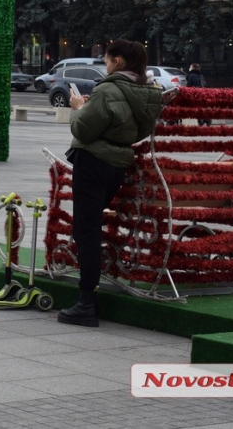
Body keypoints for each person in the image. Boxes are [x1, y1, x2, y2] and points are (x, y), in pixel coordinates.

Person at [59, 39, 164, 327]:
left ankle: (86, 302)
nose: (105, 64)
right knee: (91, 226)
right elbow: (140, 129)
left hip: (92, 161)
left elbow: (82, 127)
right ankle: (88, 295)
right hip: (118, 164)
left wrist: (79, 107)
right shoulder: (147, 91)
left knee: (87, 230)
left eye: (106, 59)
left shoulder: (107, 89)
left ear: (117, 62)